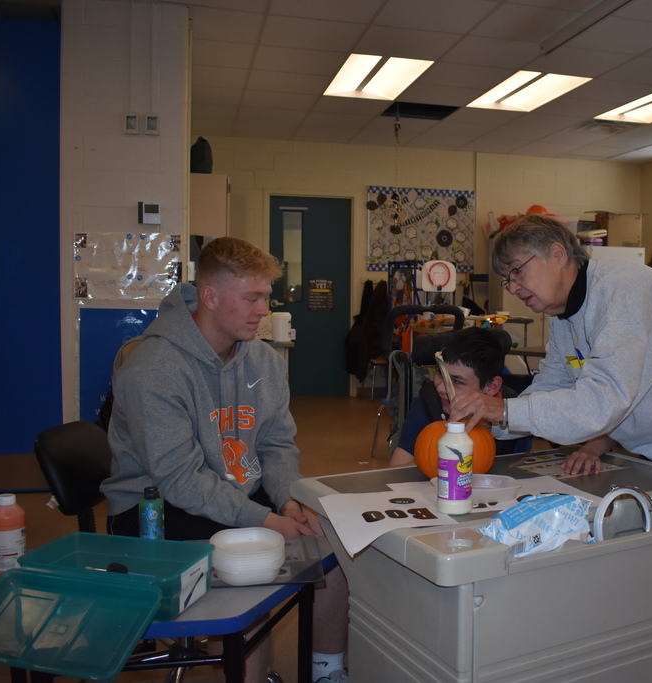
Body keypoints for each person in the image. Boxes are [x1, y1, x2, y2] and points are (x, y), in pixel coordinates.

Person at [101, 237, 348, 683]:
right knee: (246, 577)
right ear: (210, 296)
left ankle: (326, 673)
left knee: (331, 552)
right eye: (251, 298)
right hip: (154, 506)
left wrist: (288, 501)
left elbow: (276, 445)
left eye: (266, 297)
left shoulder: (264, 361)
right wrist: (266, 521)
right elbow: (181, 480)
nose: (263, 311)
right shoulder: (152, 369)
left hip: (236, 493)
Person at [448, 214, 652, 493]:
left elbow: (601, 402)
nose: (513, 287)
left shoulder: (621, 290)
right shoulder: (563, 318)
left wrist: (504, 410)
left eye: (517, 271)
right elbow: (552, 387)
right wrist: (492, 420)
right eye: (507, 280)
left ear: (557, 254)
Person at [389, 327, 532, 467]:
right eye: (440, 373)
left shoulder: (518, 413)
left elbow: (520, 470)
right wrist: (441, 457)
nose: (440, 388)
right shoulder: (428, 404)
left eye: (457, 381)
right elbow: (398, 469)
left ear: (491, 387)